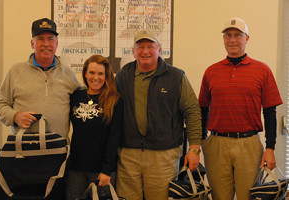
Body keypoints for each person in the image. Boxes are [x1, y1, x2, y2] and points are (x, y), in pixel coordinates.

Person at [199, 17, 283, 200]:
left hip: (249, 145)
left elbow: (270, 111)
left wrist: (270, 147)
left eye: (238, 35)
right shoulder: (211, 71)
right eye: (228, 35)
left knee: (249, 196)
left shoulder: (262, 70)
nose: (232, 40)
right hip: (217, 145)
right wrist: (201, 141)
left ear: (247, 38)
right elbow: (203, 108)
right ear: (223, 39)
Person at [115, 29, 202, 200]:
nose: (145, 51)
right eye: (140, 47)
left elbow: (192, 110)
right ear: (133, 51)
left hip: (163, 156)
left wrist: (194, 148)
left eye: (150, 46)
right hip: (128, 156)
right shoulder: (123, 76)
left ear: (159, 50)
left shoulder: (176, 76)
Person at [0, 18, 81, 139]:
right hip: (24, 150)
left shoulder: (68, 74)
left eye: (50, 39)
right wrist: (15, 117)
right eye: (40, 39)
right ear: (32, 43)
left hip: (58, 151)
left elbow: (81, 106)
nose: (46, 44)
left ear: (57, 44)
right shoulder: (15, 71)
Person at [66, 55, 123, 200]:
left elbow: (114, 137)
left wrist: (107, 170)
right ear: (85, 73)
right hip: (76, 168)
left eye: (100, 73)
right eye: (91, 72)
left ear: (106, 76)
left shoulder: (115, 100)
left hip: (101, 170)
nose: (95, 77)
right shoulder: (76, 96)